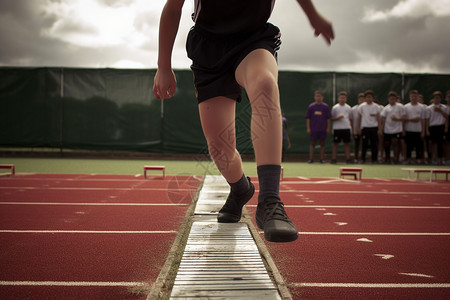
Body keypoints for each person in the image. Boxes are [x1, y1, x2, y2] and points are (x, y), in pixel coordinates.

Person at [153, 0, 334, 243]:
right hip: (209, 49)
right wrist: (164, 66)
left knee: (265, 85)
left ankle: (270, 200)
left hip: (253, 41)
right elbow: (173, 7)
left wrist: (313, 15)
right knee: (220, 149)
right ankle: (240, 189)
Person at [305, 90, 331, 163]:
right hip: (313, 129)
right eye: (317, 96)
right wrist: (308, 128)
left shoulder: (325, 107)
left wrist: (328, 128)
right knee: (312, 143)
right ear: (314, 97)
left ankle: (322, 159)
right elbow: (308, 118)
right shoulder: (311, 107)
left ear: (322, 97)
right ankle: (311, 159)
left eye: (320, 96)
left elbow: (328, 118)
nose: (318, 97)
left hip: (322, 129)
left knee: (322, 143)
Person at [379, 91, 405, 164]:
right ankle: (387, 159)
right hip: (387, 130)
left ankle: (396, 159)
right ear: (388, 99)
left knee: (395, 143)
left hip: (397, 130)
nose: (392, 100)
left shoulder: (400, 107)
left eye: (393, 99)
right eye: (390, 99)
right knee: (386, 144)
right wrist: (381, 129)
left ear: (396, 99)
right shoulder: (386, 108)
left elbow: (404, 118)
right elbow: (382, 119)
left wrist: (398, 119)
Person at [357, 90, 381, 164]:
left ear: (373, 98)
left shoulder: (376, 107)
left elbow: (378, 118)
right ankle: (362, 159)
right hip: (365, 128)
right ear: (365, 98)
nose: (369, 99)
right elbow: (359, 118)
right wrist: (358, 128)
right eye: (367, 97)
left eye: (370, 97)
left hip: (374, 128)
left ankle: (374, 159)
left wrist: (379, 129)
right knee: (364, 144)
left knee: (374, 144)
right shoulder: (361, 107)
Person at [426, 91, 448, 165]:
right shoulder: (429, 108)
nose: (436, 99)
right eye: (435, 98)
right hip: (432, 127)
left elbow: (447, 117)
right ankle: (432, 158)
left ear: (440, 99)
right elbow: (427, 119)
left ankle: (439, 159)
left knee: (440, 144)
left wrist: (440, 111)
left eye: (438, 98)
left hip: (440, 127)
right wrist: (427, 129)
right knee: (431, 144)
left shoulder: (444, 107)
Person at [403, 90, 425, 164]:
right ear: (410, 97)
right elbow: (404, 119)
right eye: (412, 96)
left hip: (418, 130)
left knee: (418, 146)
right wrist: (412, 119)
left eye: (415, 96)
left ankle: (418, 159)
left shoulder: (422, 107)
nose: (413, 98)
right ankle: (408, 159)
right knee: (409, 146)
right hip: (408, 130)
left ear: (417, 97)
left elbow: (422, 120)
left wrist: (423, 131)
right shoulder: (406, 107)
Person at [331, 91, 353, 163]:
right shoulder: (335, 108)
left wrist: (351, 128)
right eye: (341, 98)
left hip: (346, 128)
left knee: (346, 143)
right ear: (338, 99)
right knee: (335, 143)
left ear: (346, 99)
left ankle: (348, 159)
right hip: (337, 128)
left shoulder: (349, 108)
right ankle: (334, 159)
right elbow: (331, 118)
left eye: (344, 98)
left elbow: (350, 118)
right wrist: (337, 118)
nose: (342, 99)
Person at [351, 93, 365, 163]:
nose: (361, 101)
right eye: (360, 99)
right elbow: (352, 120)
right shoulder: (353, 109)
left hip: (365, 130)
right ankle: (356, 158)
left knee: (364, 145)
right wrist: (353, 130)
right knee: (356, 144)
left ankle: (362, 159)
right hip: (356, 130)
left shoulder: (366, 108)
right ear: (358, 100)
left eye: (363, 99)